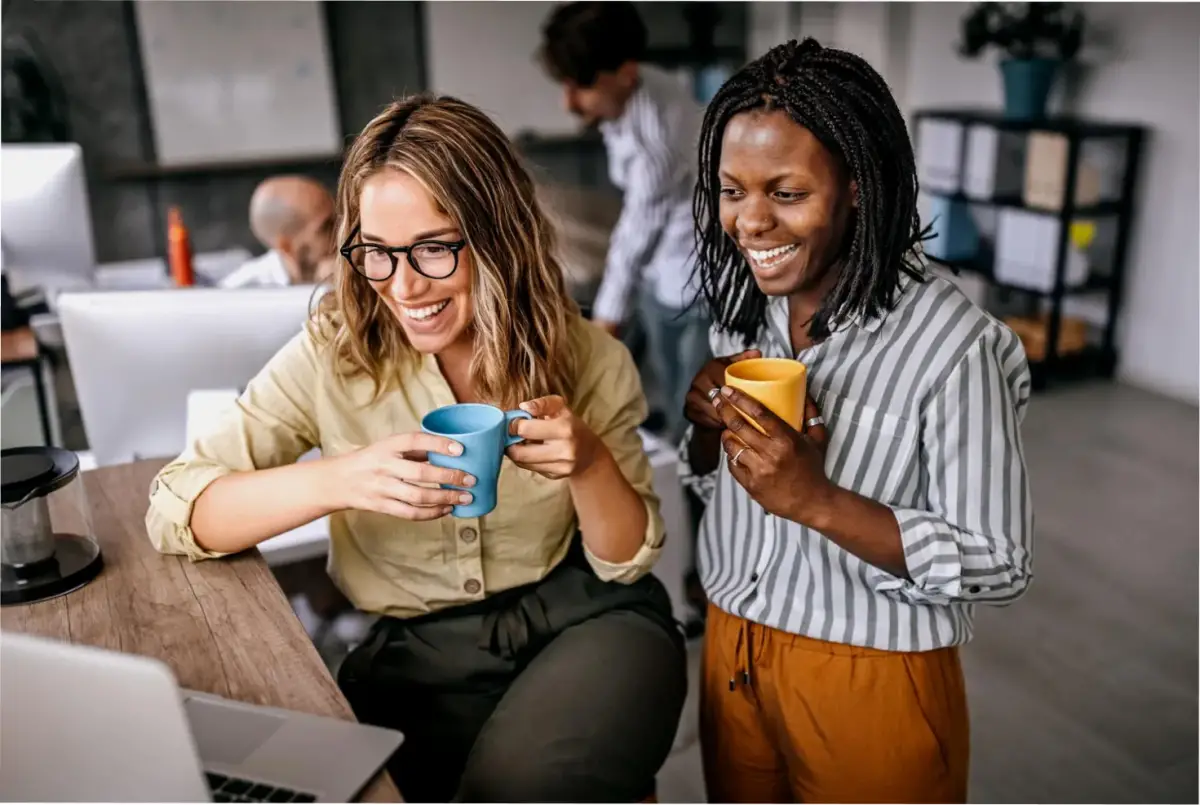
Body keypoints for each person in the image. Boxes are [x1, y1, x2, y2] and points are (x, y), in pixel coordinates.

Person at [145, 95, 687, 803]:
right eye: (376, 251)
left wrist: (589, 463)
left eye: (434, 247)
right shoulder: (332, 355)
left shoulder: (586, 355)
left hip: (589, 622)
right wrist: (338, 479)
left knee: (514, 789)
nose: (402, 286)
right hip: (419, 657)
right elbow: (173, 504)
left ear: (497, 235)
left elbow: (624, 561)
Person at [680, 39, 1035, 803]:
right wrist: (708, 430)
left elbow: (999, 560)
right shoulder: (749, 301)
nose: (749, 222)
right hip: (733, 644)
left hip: (870, 669)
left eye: (786, 192)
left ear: (857, 189)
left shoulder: (955, 347)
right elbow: (723, 489)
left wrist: (819, 501)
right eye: (731, 189)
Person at [538, 1, 710, 445]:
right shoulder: (627, 98)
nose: (568, 102)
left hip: (697, 284)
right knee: (669, 391)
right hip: (660, 274)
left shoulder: (661, 132)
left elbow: (635, 235)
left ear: (626, 73)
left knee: (694, 401)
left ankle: (692, 484)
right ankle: (671, 438)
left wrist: (605, 325)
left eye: (582, 87)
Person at [219, 175, 336, 289]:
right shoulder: (240, 295)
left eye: (339, 220)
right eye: (327, 228)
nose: (340, 232)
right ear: (286, 246)